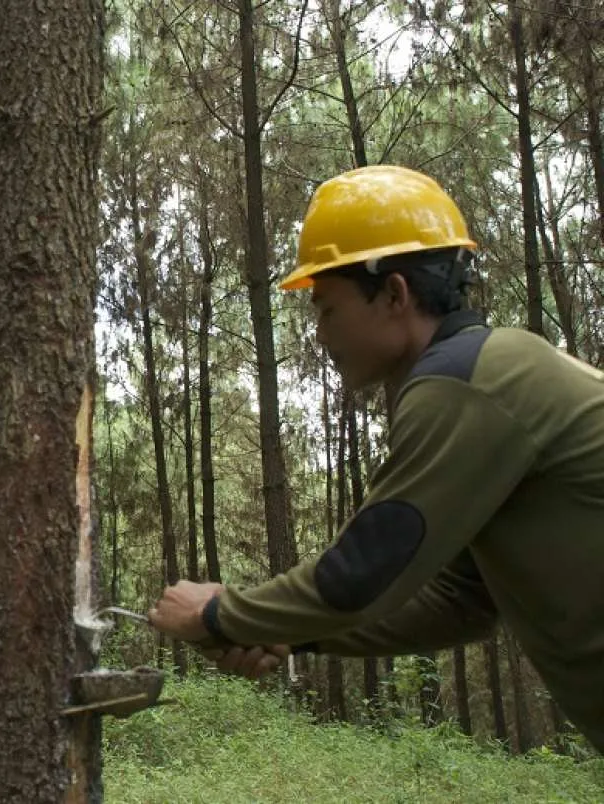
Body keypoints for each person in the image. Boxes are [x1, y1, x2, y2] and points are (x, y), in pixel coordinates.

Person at [147, 164, 604, 753]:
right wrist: (288, 634)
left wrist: (219, 615)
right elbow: (460, 605)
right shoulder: (494, 371)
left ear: (394, 294)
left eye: (327, 309)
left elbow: (360, 574)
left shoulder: (462, 384)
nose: (319, 333)